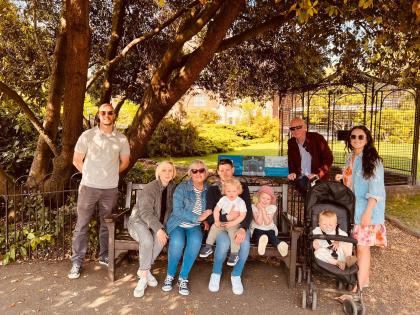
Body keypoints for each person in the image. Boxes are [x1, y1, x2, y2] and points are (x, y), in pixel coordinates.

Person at [68, 103, 130, 279]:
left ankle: (104, 256)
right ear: (98, 115)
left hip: (110, 189)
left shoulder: (121, 139)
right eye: (103, 112)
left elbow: (125, 161)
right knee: (81, 225)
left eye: (110, 113)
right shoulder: (87, 136)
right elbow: (77, 160)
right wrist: (90, 174)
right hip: (88, 187)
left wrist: (109, 173)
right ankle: (77, 262)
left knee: (106, 225)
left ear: (114, 116)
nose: (106, 115)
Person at [336, 125, 387, 290]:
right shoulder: (350, 158)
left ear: (367, 140)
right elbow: (350, 184)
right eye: (353, 137)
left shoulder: (373, 161)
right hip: (353, 208)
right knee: (357, 246)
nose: (356, 140)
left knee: (362, 248)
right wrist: (342, 177)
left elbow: (376, 190)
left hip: (366, 211)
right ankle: (360, 280)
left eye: (360, 137)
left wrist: (368, 212)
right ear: (349, 140)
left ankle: (360, 284)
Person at [161, 160, 212, 296]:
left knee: (195, 242)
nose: (198, 173)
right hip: (178, 223)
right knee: (177, 242)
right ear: (190, 173)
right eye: (194, 171)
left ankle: (183, 277)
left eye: (201, 170)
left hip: (194, 226)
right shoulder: (182, 188)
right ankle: (170, 275)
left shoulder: (209, 189)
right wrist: (199, 218)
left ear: (205, 173)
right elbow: (177, 211)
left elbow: (211, 208)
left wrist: (206, 220)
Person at [128, 161, 177, 298]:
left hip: (157, 224)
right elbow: (145, 212)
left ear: (173, 173)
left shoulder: (173, 187)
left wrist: (162, 229)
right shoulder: (151, 188)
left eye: (170, 170)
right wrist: (159, 229)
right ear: (158, 173)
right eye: (164, 170)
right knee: (148, 241)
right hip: (139, 221)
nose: (167, 173)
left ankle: (143, 270)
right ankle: (143, 278)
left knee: (161, 241)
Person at [206, 158, 252, 295]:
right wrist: (225, 218)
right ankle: (216, 273)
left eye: (228, 169)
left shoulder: (241, 187)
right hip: (219, 225)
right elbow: (210, 214)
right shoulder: (213, 189)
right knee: (224, 242)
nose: (225, 173)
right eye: (222, 170)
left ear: (232, 170)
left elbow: (247, 210)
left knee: (243, 243)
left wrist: (243, 228)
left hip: (239, 224)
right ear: (218, 172)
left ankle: (236, 275)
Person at [199, 178, 247, 266]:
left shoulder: (240, 202)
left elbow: (242, 216)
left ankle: (234, 254)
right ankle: (208, 246)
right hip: (223, 221)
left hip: (234, 223)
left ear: (238, 191)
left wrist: (232, 223)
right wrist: (217, 221)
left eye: (234, 191)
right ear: (224, 191)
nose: (231, 193)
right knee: (214, 228)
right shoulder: (224, 199)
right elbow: (216, 210)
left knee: (234, 234)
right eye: (228, 191)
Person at [287, 117, 333, 195]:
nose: (295, 130)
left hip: (317, 178)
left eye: (298, 127)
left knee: (315, 199)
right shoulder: (291, 142)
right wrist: (292, 172)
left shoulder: (317, 138)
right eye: (292, 128)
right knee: (308, 197)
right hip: (302, 178)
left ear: (305, 127)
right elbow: (291, 161)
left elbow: (328, 158)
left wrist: (318, 174)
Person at [250, 185, 288, 257]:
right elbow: (259, 222)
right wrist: (260, 209)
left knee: (272, 236)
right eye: (263, 198)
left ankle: (280, 245)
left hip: (269, 228)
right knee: (258, 234)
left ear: (271, 201)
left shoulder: (272, 208)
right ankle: (262, 242)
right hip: (257, 229)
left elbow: (267, 222)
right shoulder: (254, 207)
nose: (265, 201)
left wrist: (263, 209)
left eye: (268, 199)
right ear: (258, 198)